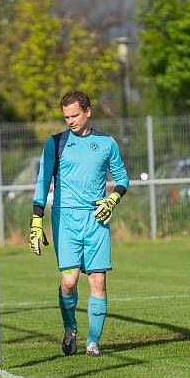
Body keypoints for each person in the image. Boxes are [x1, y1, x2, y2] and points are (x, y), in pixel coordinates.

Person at [29, 90, 129, 357]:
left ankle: (93, 342)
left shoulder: (107, 143)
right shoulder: (55, 143)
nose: (70, 121)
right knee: (70, 281)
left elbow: (122, 179)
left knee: (98, 280)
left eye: (74, 115)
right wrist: (36, 219)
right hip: (65, 219)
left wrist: (112, 200)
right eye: (66, 117)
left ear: (88, 112)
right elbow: (42, 182)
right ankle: (70, 328)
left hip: (96, 219)